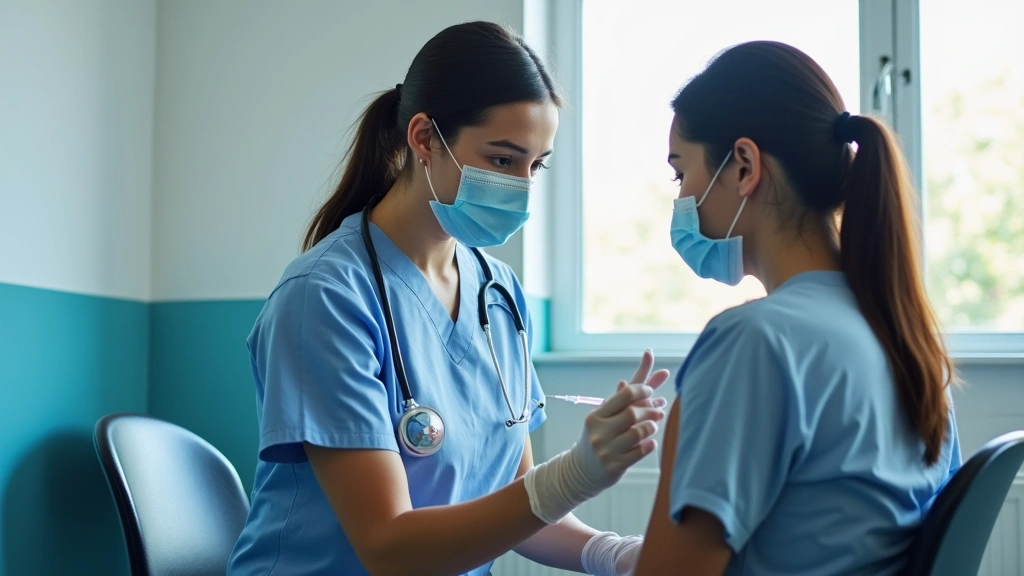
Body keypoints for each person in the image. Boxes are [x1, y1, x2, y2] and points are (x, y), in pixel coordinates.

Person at [227, 21, 668, 576]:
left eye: (536, 165)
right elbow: (388, 548)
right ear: (424, 139)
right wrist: (574, 473)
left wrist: (617, 554)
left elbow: (515, 501)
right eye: (503, 160)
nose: (523, 186)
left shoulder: (500, 295)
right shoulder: (325, 297)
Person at [631, 41, 962, 576]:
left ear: (743, 165)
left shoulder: (753, 343)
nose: (681, 197)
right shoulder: (905, 337)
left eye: (680, 173)